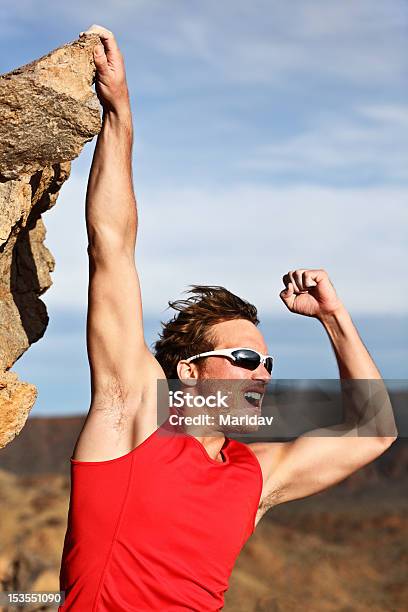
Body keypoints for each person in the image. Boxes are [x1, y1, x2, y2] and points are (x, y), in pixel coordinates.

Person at [59, 25, 397, 611]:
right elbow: (110, 245)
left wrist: (335, 318)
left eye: (266, 362)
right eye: (243, 359)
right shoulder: (131, 413)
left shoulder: (252, 476)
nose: (261, 373)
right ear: (187, 372)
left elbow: (374, 432)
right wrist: (120, 115)